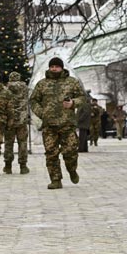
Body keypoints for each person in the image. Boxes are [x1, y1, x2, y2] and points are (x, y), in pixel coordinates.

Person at [30, 57, 86, 190]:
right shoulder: (42, 84)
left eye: (56, 66)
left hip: (67, 124)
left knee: (71, 151)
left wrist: (73, 103)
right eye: (52, 66)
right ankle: (55, 179)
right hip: (49, 126)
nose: (54, 68)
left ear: (62, 68)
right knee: (51, 154)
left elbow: (83, 97)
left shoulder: (72, 82)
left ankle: (72, 169)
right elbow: (33, 101)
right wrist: (42, 113)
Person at [4, 72, 30, 174]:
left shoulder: (6, 88)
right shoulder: (25, 88)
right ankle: (23, 166)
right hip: (22, 120)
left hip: (10, 120)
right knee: (22, 143)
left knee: (9, 143)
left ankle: (8, 166)